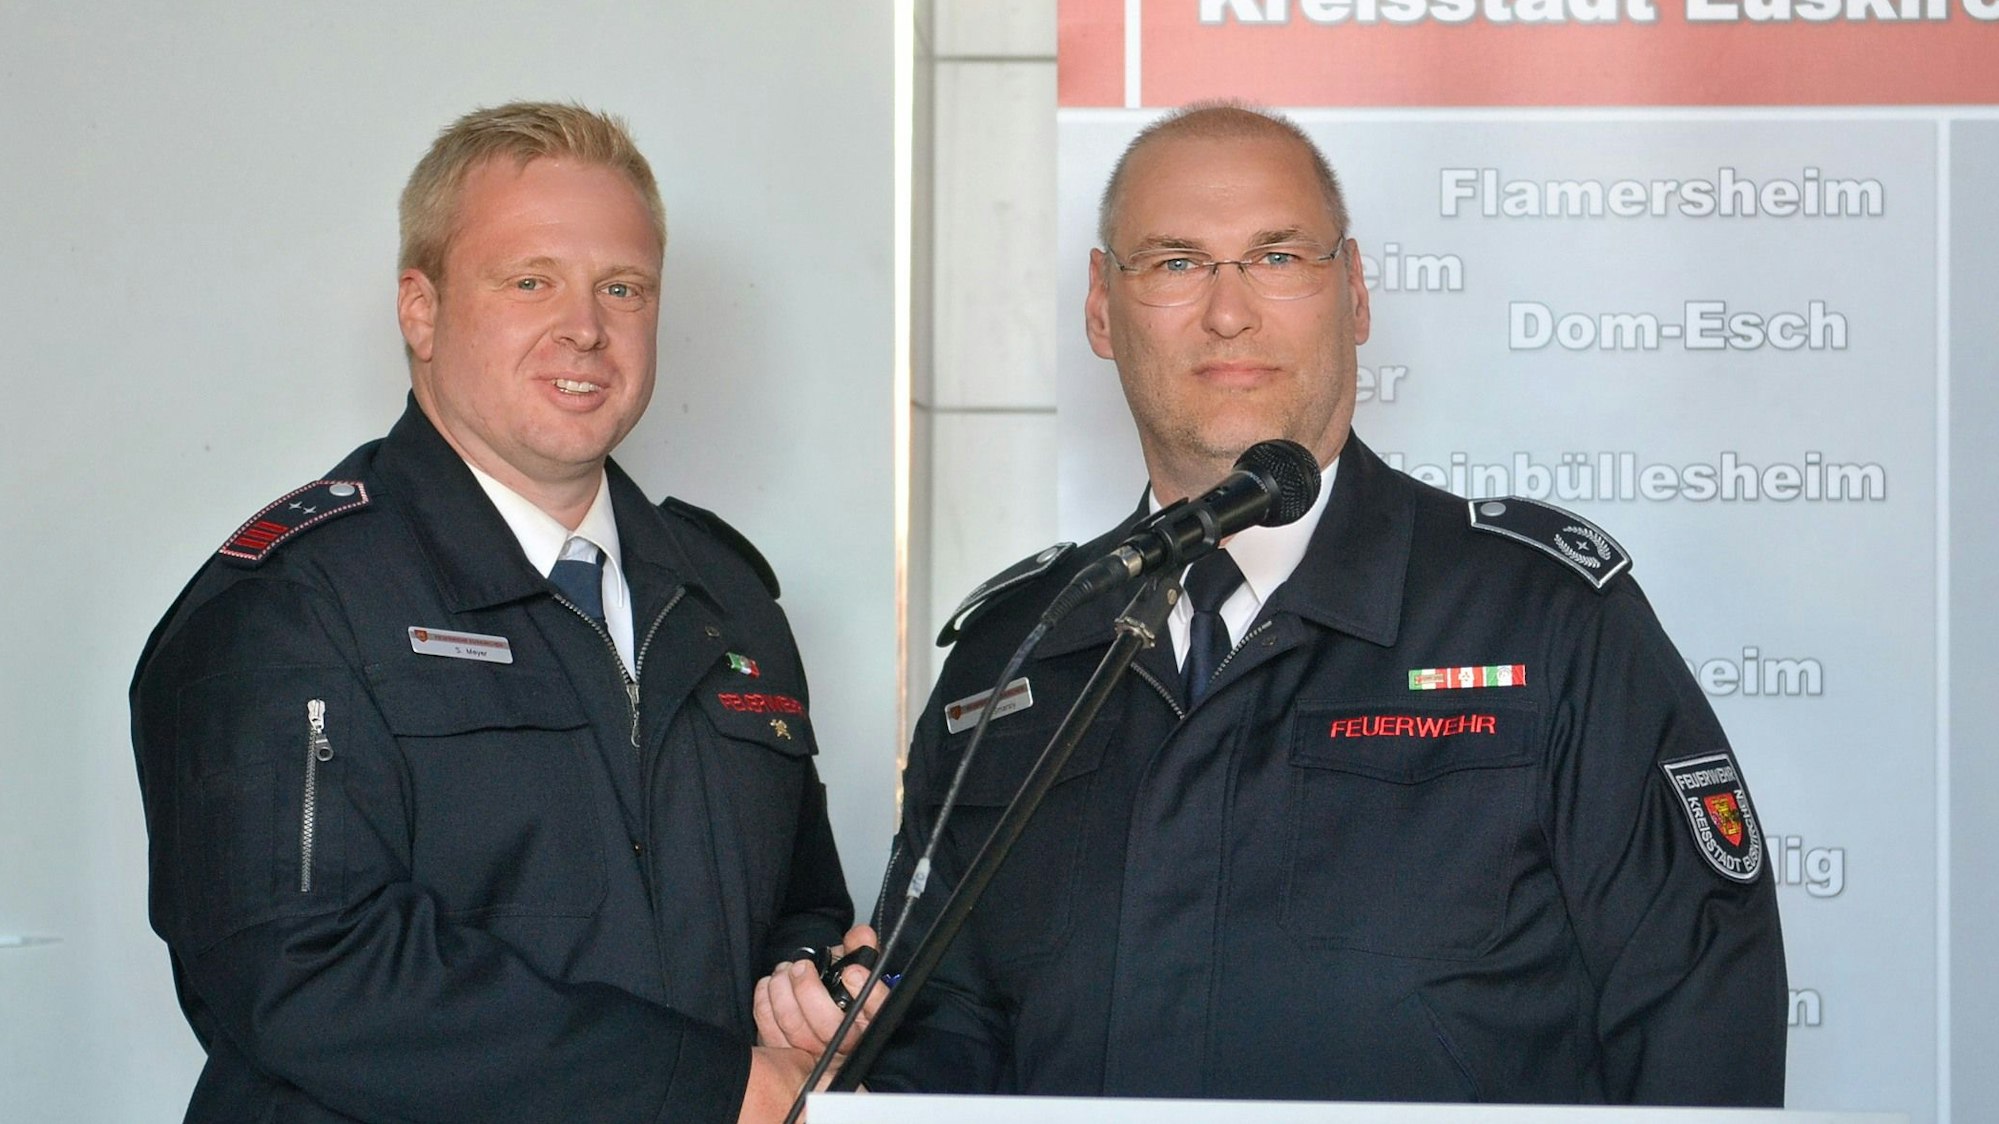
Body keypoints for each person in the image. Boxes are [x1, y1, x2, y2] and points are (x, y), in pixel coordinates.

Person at [781, 102, 1788, 1104]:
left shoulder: (1542, 615)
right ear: (1100, 305)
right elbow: (944, 1043)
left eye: (1276, 257)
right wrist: (853, 1037)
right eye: (1175, 262)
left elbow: (1696, 1010)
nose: (1228, 312)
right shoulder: (1019, 646)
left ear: (1352, 293)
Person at [129, 101, 863, 1123]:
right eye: (531, 281)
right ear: (419, 310)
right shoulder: (292, 605)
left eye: (623, 287)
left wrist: (812, 976)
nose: (587, 327)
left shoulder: (723, 598)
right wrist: (703, 1088)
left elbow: (800, 900)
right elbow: (306, 971)